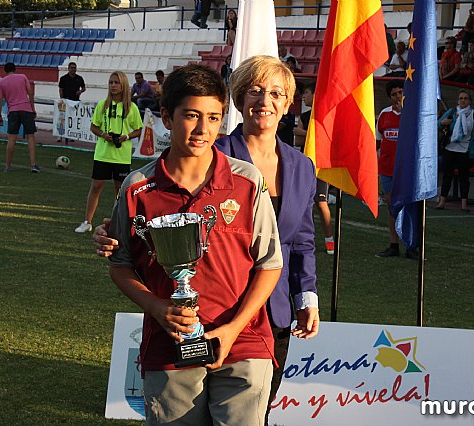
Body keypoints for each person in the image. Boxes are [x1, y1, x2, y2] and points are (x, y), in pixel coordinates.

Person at [93, 56, 320, 424]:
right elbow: (123, 259)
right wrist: (152, 301)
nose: (202, 128)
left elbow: (285, 251)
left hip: (250, 332)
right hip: (172, 343)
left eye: (212, 118)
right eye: (255, 91)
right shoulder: (141, 186)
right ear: (167, 117)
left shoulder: (260, 177)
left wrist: (297, 300)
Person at [74, 71, 143, 233]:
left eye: (116, 83)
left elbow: (138, 130)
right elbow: (93, 126)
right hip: (103, 154)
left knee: (120, 191)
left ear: (123, 85)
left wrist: (125, 137)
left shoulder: (131, 107)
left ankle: (116, 224)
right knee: (96, 186)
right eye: (111, 82)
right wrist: (104, 135)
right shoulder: (103, 104)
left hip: (121, 157)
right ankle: (87, 221)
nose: (113, 85)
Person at [375, 80, 417, 259]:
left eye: (400, 92)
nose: (398, 97)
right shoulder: (384, 115)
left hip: (408, 170)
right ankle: (394, 244)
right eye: (394, 94)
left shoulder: (413, 113)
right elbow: (377, 141)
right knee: (392, 207)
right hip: (387, 169)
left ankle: (411, 245)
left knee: (409, 207)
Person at [293, 82, 335, 254]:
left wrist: (305, 132)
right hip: (305, 164)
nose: (304, 96)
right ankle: (304, 238)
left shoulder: (326, 115)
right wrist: (310, 134)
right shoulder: (304, 116)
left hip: (322, 165)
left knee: (321, 202)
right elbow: (298, 140)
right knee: (302, 202)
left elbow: (325, 138)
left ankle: (329, 240)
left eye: (307, 93)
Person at [435, 89, 474, 211]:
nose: (463, 100)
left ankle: (464, 205)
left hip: (465, 148)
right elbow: (437, 123)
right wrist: (444, 122)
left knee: (464, 177)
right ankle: (442, 202)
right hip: (450, 147)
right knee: (447, 175)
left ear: (470, 101)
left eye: (465, 98)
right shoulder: (452, 112)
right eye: (461, 98)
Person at [0, 62, 39, 173]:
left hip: (13, 111)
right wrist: (33, 108)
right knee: (30, 137)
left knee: (11, 139)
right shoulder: (23, 77)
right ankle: (33, 165)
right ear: (15, 69)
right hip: (25, 108)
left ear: (4, 71)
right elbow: (30, 92)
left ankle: (8, 166)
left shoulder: (2, 82)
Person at [58, 61, 86, 143]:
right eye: (72, 68)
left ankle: (71, 135)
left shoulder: (79, 78)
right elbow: (61, 89)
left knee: (73, 119)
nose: (73, 69)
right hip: (66, 100)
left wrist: (80, 91)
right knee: (62, 119)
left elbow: (84, 88)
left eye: (75, 68)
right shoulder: (63, 78)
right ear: (68, 68)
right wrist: (62, 99)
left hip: (75, 101)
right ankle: (60, 135)